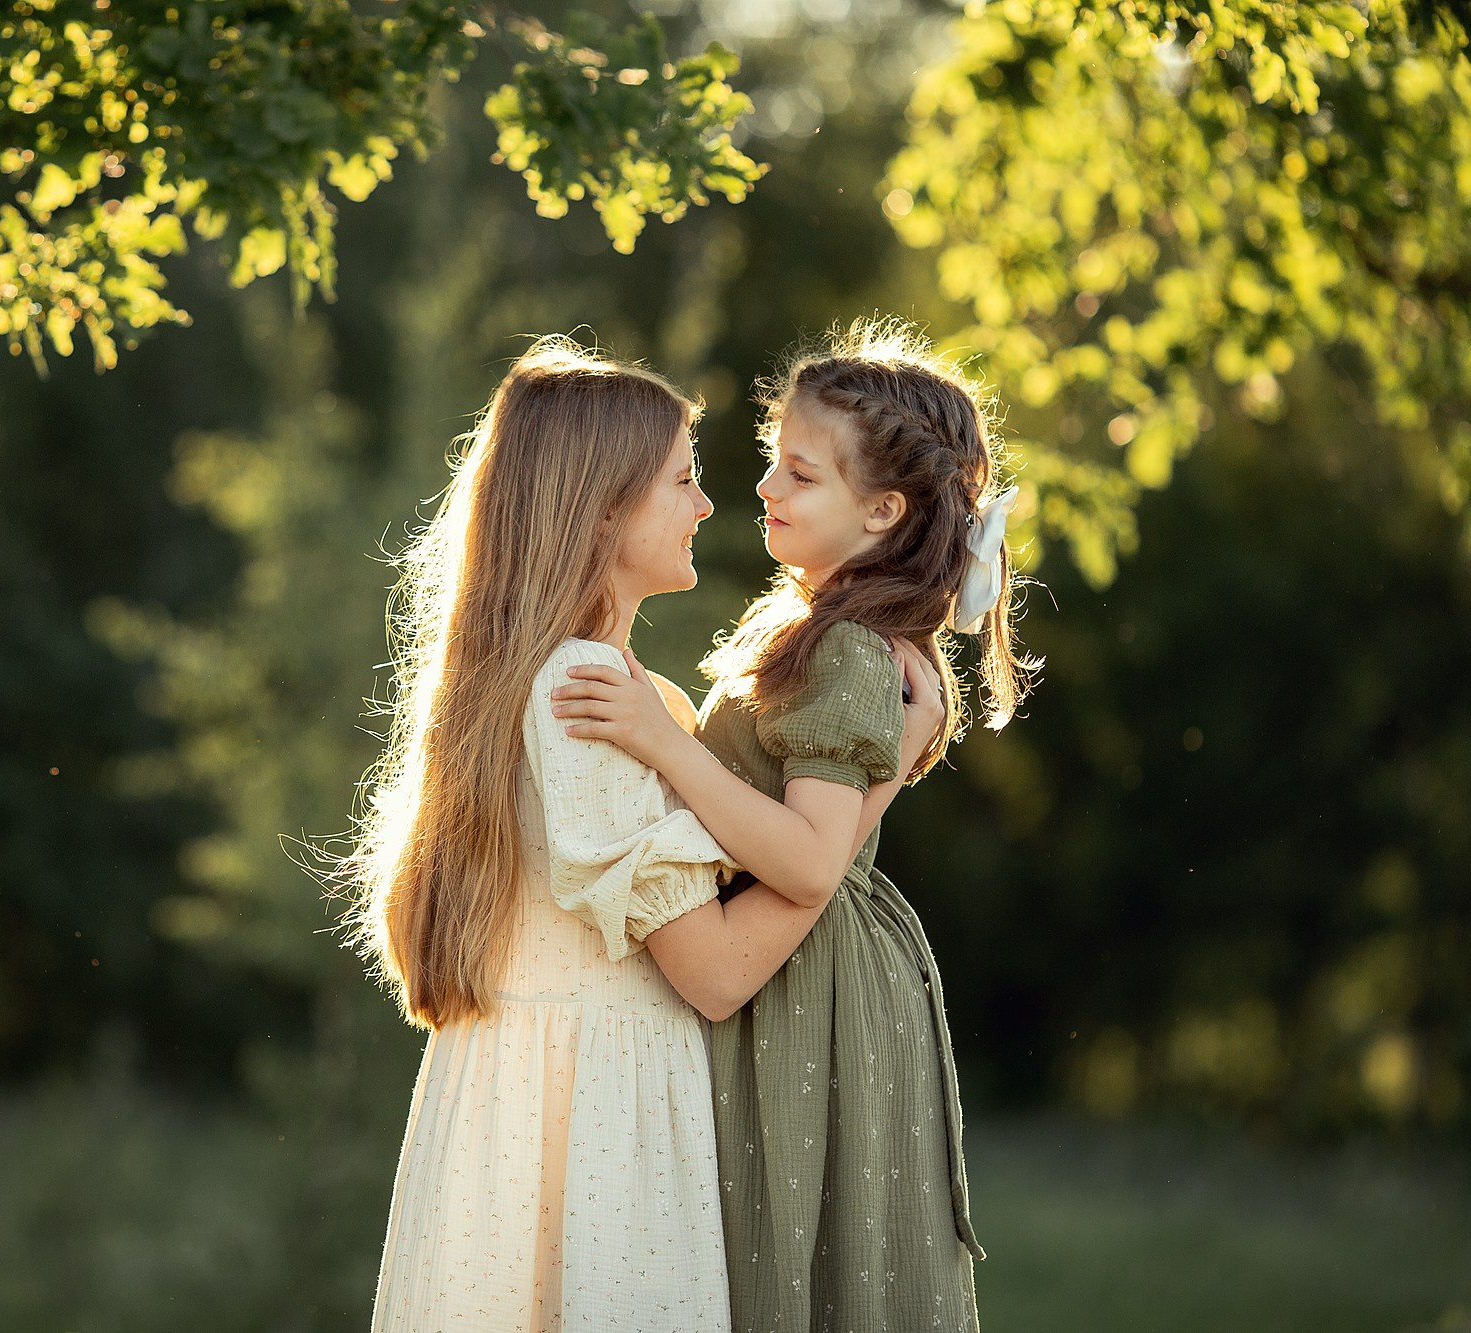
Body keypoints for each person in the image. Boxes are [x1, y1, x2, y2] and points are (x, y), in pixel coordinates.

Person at [350, 337, 942, 1332]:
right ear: (601, 509)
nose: (708, 504)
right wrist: (880, 780)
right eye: (679, 480)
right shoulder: (587, 702)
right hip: (591, 1124)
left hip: (551, 1102)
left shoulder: (632, 698)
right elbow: (716, 972)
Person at [549, 321, 1035, 1333]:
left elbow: (811, 859)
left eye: (800, 474)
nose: (765, 485)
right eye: (776, 460)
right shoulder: (821, 629)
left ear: (881, 510)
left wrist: (661, 741)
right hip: (803, 962)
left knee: (786, 1252)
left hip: (804, 983)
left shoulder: (848, 647)